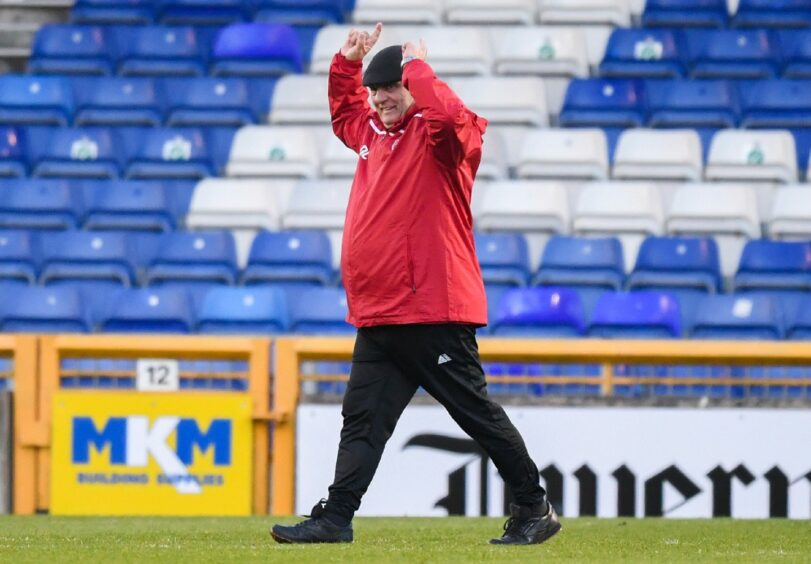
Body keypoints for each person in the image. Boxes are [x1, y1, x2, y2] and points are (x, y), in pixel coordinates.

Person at [271, 22, 560, 546]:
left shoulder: (444, 141)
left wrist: (419, 68)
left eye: (392, 88)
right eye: (375, 89)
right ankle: (336, 519)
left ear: (413, 87)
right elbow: (344, 112)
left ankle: (533, 506)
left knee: (474, 414)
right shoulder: (372, 134)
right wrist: (345, 62)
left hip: (433, 310)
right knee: (361, 420)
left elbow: (448, 116)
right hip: (381, 312)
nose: (379, 98)